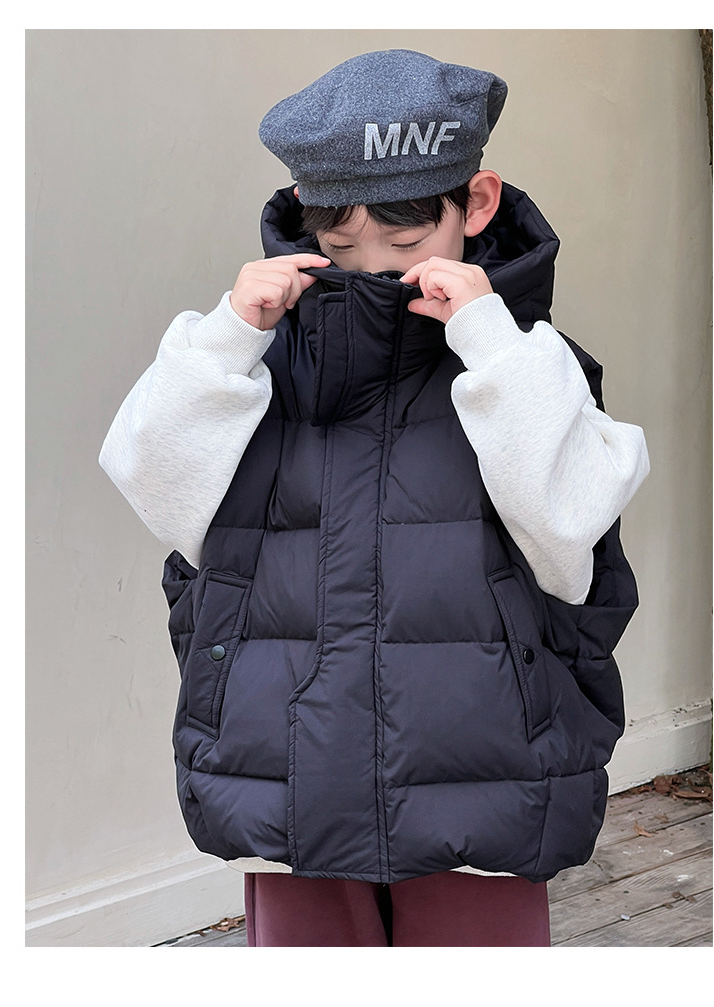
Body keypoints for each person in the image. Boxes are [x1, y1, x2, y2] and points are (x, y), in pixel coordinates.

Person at [99, 49, 649, 947]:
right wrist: (226, 341)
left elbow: (570, 528)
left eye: (405, 242)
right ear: (304, 213)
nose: (375, 270)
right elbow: (151, 481)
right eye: (340, 244)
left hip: (486, 775)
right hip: (285, 772)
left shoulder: (527, 363)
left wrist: (491, 344)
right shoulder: (248, 359)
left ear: (476, 203)